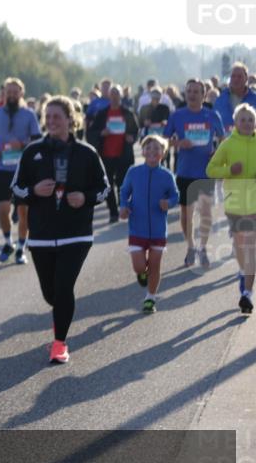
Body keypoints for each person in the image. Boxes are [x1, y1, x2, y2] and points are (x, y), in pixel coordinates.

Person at [11, 96, 108, 364]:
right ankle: (60, 318)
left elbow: (104, 189)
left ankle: (60, 343)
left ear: (70, 120)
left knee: (64, 288)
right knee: (50, 293)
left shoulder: (86, 152)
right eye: (48, 117)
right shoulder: (32, 151)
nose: (52, 121)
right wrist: (34, 191)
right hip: (41, 234)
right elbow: (16, 187)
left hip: (76, 233)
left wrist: (85, 198)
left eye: (58, 117)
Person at [164, 78, 226, 267]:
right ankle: (191, 247)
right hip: (184, 170)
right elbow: (163, 140)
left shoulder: (212, 115)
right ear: (185, 94)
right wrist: (178, 143)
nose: (191, 94)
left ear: (203, 95)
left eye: (196, 92)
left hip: (205, 171)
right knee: (186, 213)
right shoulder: (177, 116)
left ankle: (203, 248)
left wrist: (217, 152)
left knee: (206, 212)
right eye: (189, 91)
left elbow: (223, 139)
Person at [119, 136, 179, 313]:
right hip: (137, 227)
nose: (152, 151)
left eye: (157, 148)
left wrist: (169, 202)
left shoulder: (167, 175)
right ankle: (141, 274)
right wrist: (124, 206)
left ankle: (150, 298)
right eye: (149, 148)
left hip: (158, 230)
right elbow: (124, 192)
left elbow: (176, 196)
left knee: (155, 265)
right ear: (143, 151)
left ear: (163, 153)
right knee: (139, 266)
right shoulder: (134, 172)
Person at [206, 103, 256, 314]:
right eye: (243, 120)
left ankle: (246, 293)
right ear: (235, 123)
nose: (247, 123)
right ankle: (244, 273)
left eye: (251, 120)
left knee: (251, 247)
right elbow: (210, 170)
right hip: (234, 203)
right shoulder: (227, 144)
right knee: (240, 246)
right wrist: (229, 170)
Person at [0, 77, 42, 264]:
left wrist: (22, 143)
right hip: (2, 167)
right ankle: (7, 242)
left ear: (21, 93)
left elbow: (37, 140)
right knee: (3, 210)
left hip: (23, 169)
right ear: (4, 93)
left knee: (23, 212)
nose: (11, 95)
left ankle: (21, 248)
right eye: (8, 92)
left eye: (15, 92)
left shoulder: (29, 114)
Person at [87, 86, 139, 223]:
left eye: (117, 94)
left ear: (121, 96)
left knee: (123, 183)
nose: (115, 97)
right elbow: (91, 133)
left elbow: (135, 131)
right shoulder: (102, 113)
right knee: (108, 183)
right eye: (112, 94)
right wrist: (101, 133)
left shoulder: (127, 113)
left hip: (124, 154)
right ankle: (113, 213)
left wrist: (131, 138)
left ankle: (123, 206)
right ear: (109, 96)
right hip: (106, 154)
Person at [214, 63, 256, 135]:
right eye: (233, 76)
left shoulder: (254, 98)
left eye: (239, 76)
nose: (236, 79)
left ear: (246, 78)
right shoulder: (220, 99)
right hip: (227, 142)